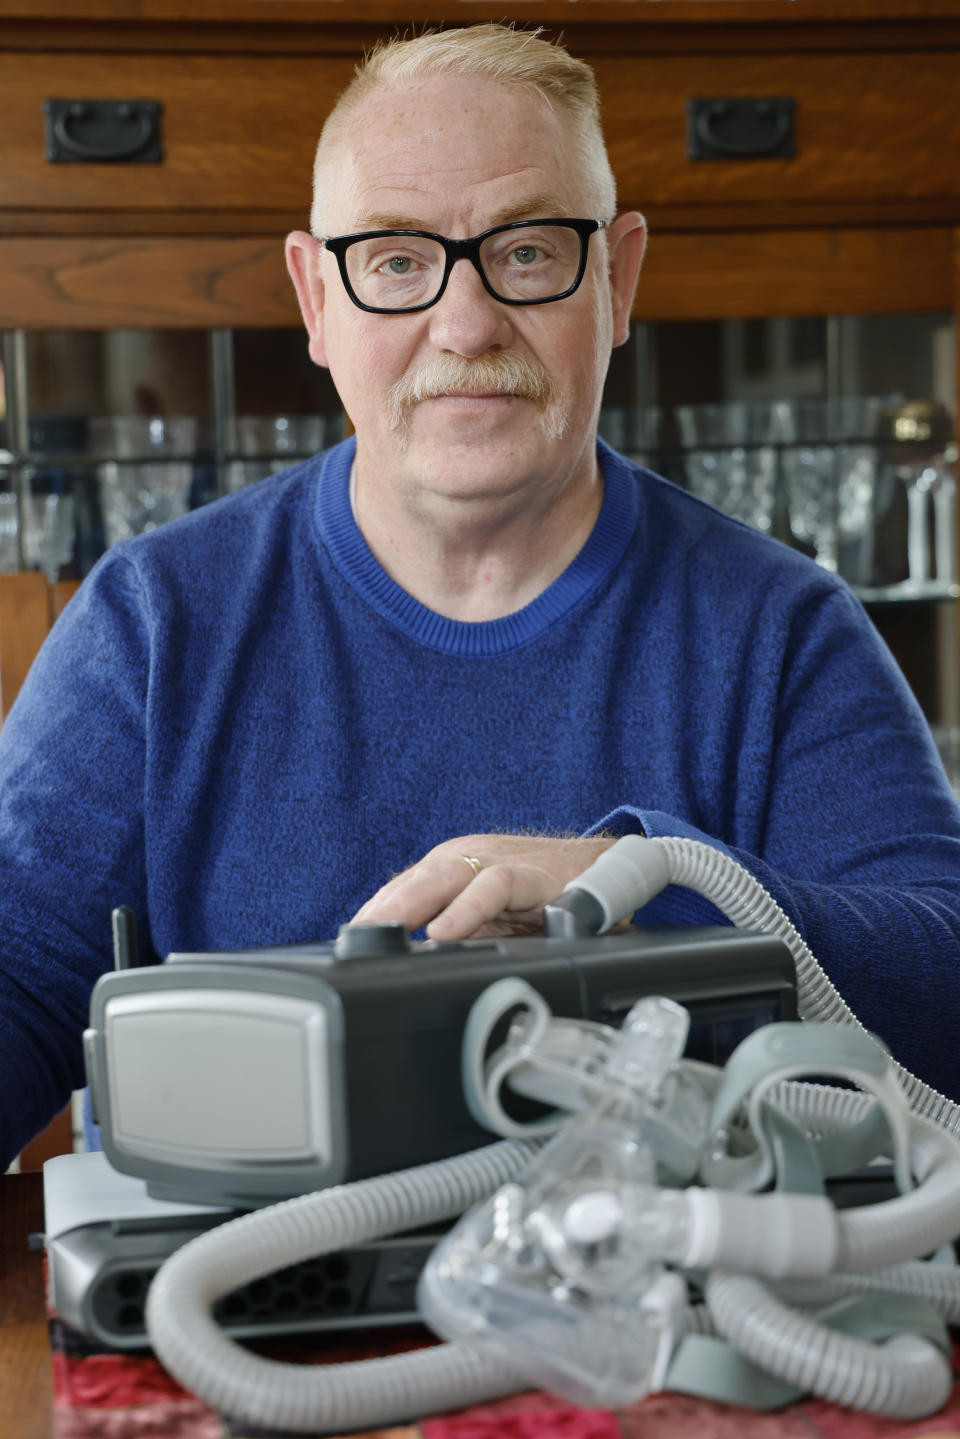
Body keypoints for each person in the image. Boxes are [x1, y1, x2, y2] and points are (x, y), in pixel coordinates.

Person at [1, 23, 959, 1170]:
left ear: (619, 277)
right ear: (317, 297)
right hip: (237, 1311)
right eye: (398, 260)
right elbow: (18, 982)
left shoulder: (781, 631)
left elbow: (944, 990)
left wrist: (649, 890)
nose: (465, 325)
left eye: (528, 251)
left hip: (662, 1305)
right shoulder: (154, 629)